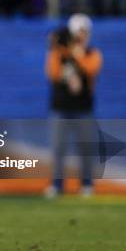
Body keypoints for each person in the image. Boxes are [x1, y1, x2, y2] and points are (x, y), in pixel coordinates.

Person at [45, 13, 102, 197]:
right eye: (78, 32)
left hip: (83, 109)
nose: (81, 37)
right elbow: (52, 73)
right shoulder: (58, 53)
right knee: (58, 148)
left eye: (84, 32)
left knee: (85, 148)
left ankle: (86, 184)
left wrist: (77, 54)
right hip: (60, 108)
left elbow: (91, 68)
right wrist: (62, 49)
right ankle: (57, 184)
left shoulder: (92, 53)